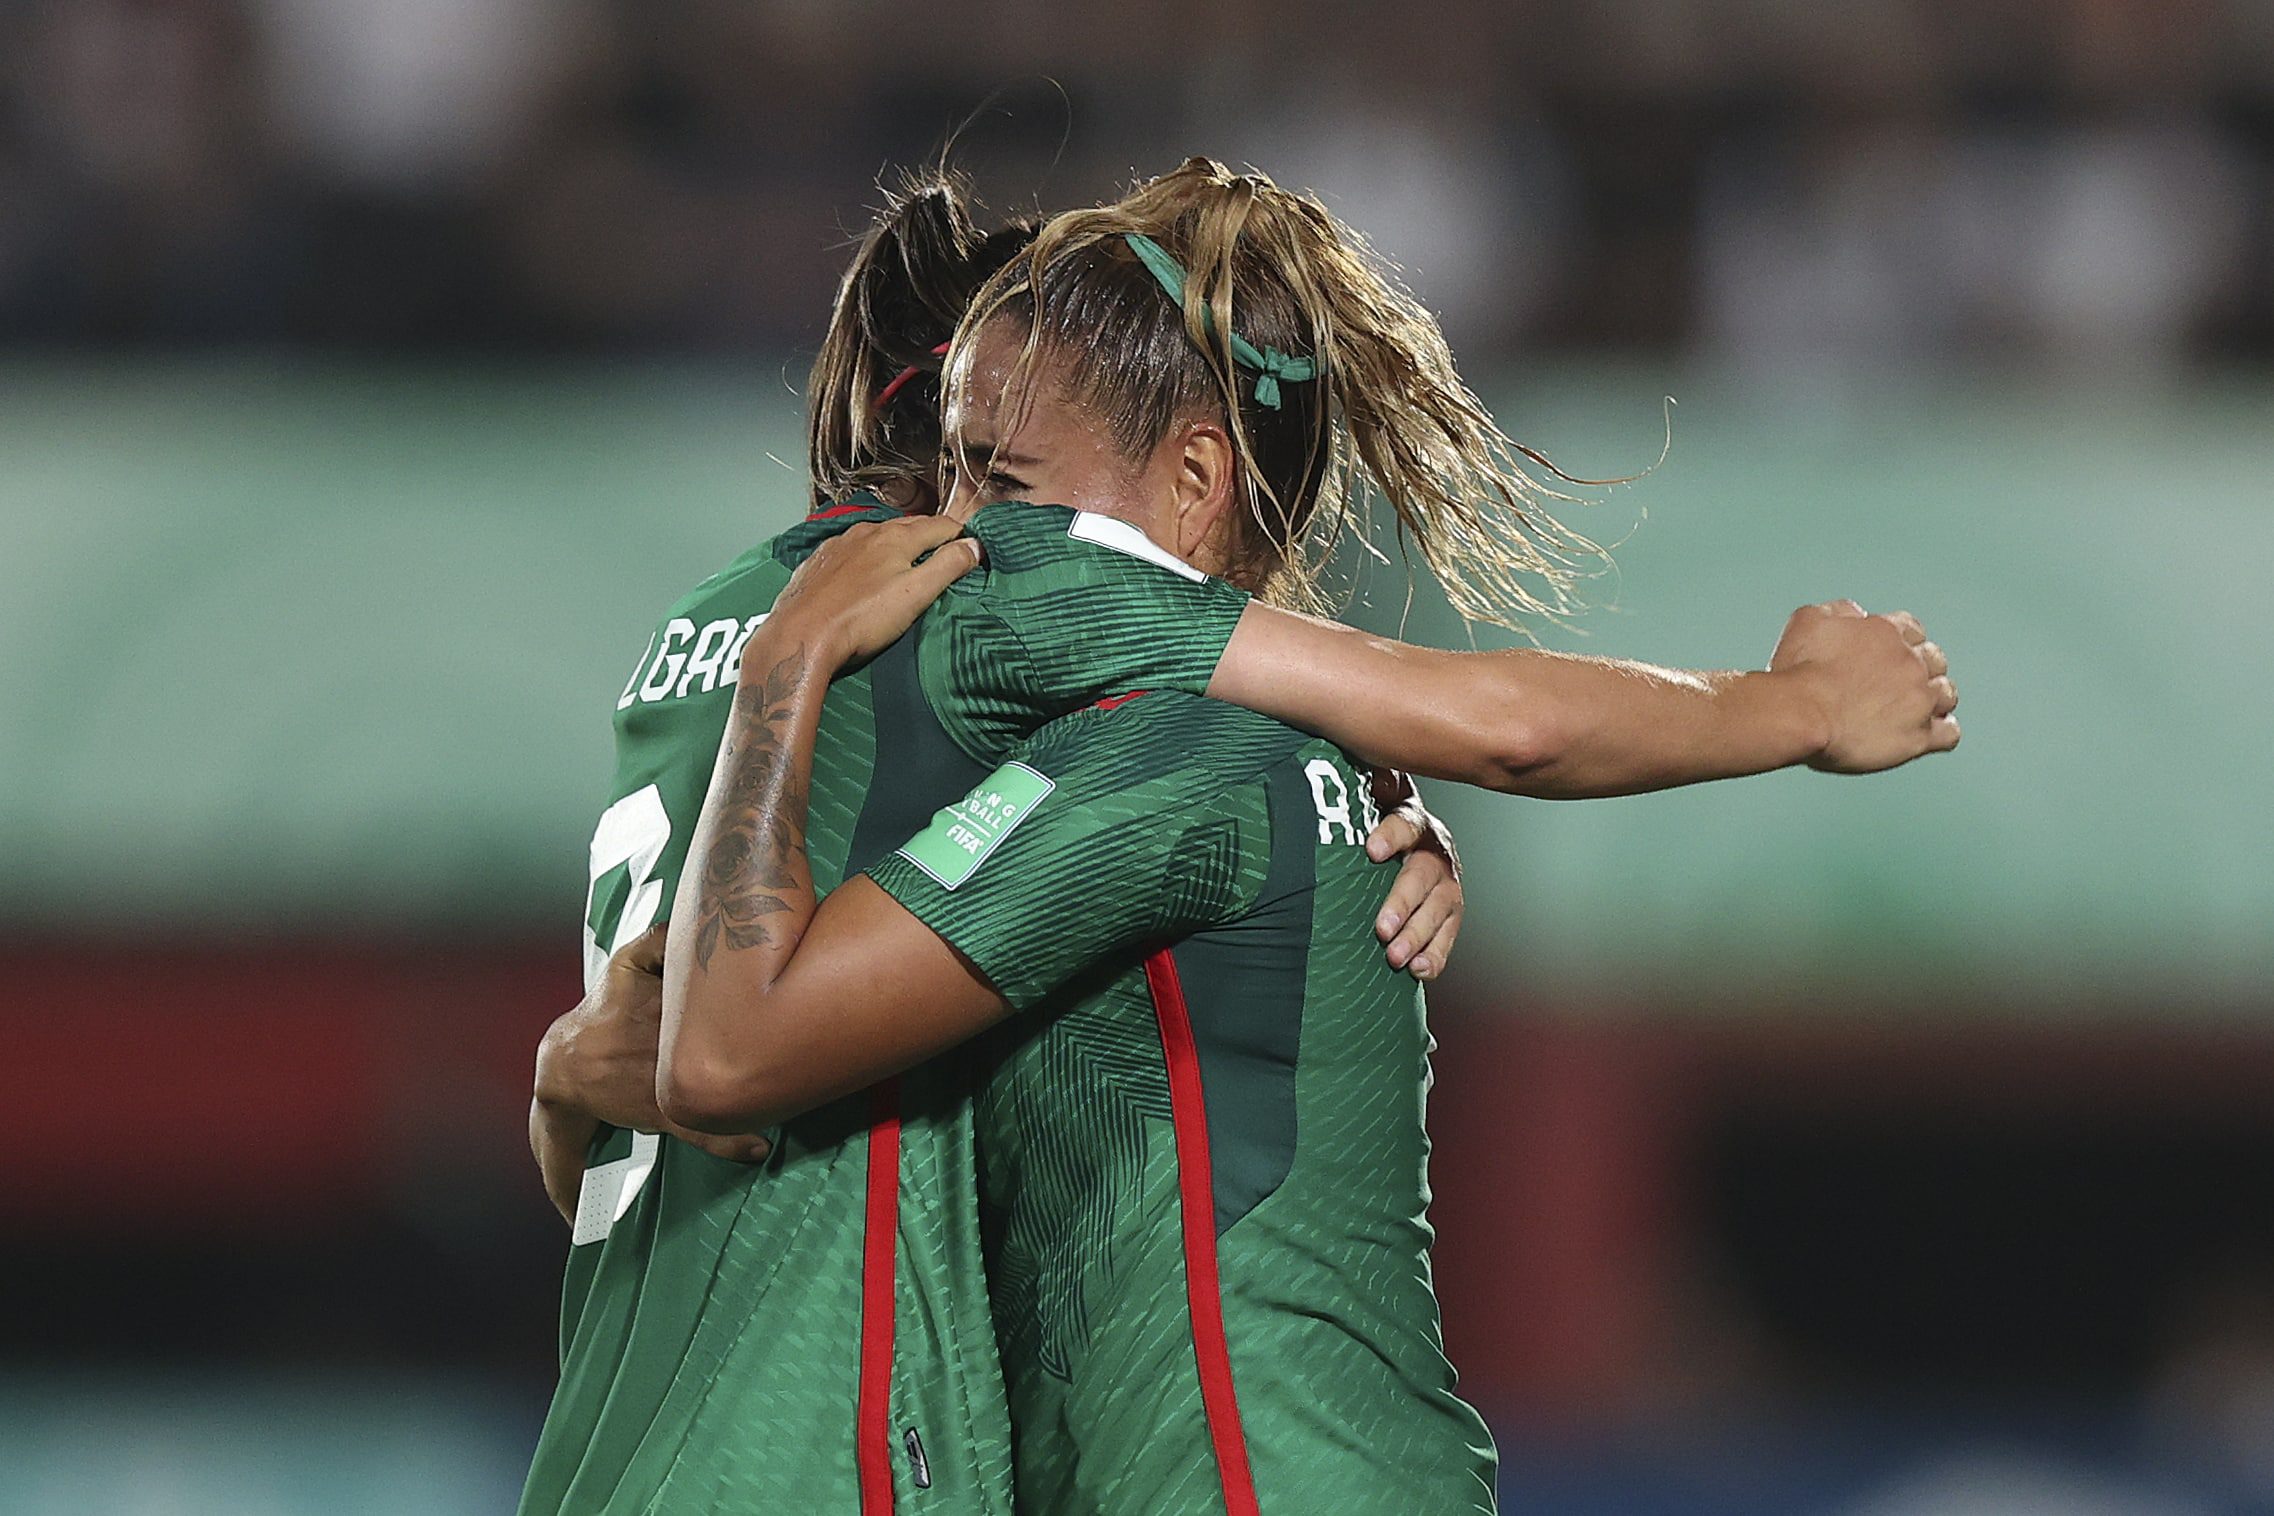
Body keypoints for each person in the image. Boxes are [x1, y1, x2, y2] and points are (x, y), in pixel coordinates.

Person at [655, 160, 1958, 1514]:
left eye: (1001, 478)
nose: (957, 535)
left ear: (1192, 484)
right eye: (950, 475)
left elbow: (1502, 720)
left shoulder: (1168, 743)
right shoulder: (1232, 762)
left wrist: (1797, 706)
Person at [518, 173, 1461, 1516]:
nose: (998, 523)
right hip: (819, 1463)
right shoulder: (947, 632)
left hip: (609, 1453)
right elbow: (1500, 715)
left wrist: (559, 1076)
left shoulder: (701, 635)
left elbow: (643, 1172)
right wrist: (1783, 713)